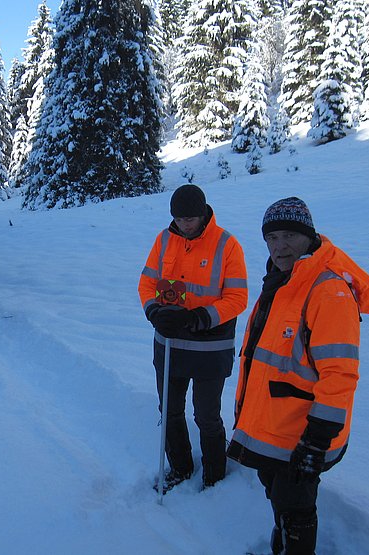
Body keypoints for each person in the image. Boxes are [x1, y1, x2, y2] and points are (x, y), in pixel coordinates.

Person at [227, 197, 369, 554]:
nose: (280, 246)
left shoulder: (329, 290)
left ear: (308, 237)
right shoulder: (282, 281)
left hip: (301, 434)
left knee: (296, 510)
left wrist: (316, 441)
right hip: (271, 427)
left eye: (290, 236)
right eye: (272, 237)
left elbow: (339, 374)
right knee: (279, 499)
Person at [138, 184, 248, 493]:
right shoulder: (164, 240)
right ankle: (180, 467)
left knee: (206, 415)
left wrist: (200, 317)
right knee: (170, 410)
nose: (186, 224)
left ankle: (214, 473)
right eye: (180, 218)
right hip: (170, 344)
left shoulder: (227, 245)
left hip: (210, 349)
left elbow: (238, 297)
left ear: (204, 214)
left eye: (192, 218)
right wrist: (153, 311)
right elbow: (147, 283)